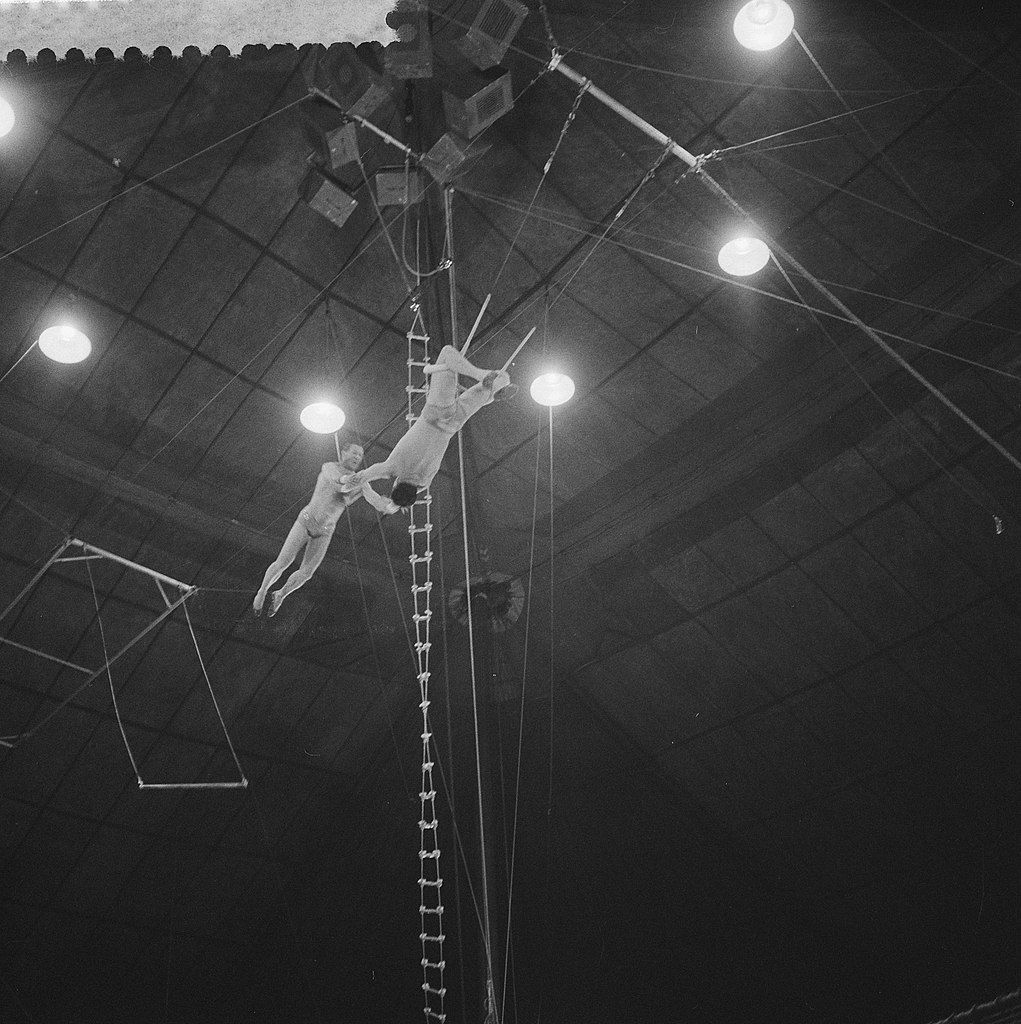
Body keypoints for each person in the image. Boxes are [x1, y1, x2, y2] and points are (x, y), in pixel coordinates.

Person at [353, 344, 512, 508]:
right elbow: (363, 477)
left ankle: (493, 392)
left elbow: (408, 496)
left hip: (454, 424)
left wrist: (395, 503)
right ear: (396, 484)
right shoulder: (392, 469)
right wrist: (348, 481)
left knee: (502, 377)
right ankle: (481, 375)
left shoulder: (425, 482)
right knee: (446, 352)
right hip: (436, 412)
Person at [253, 441, 398, 617]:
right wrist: (366, 477)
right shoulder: (330, 467)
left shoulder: (361, 481)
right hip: (306, 520)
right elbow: (338, 481)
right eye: (354, 453)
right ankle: (262, 591)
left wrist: (389, 505)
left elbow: (374, 499)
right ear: (343, 453)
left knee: (307, 573)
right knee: (283, 562)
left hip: (325, 530)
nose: (357, 457)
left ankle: (281, 594)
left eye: (360, 455)